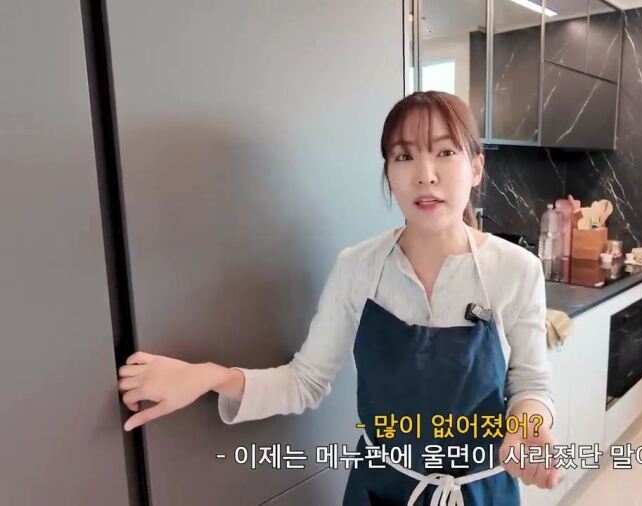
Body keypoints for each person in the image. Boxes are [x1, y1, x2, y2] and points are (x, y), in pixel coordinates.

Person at [117, 91, 560, 504]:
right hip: (381, 487)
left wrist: (529, 426)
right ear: (389, 173)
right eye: (404, 156)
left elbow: (530, 385)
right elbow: (304, 382)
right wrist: (208, 377)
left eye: (445, 152)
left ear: (476, 167)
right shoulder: (358, 268)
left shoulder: (516, 269)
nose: (425, 174)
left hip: (479, 491)